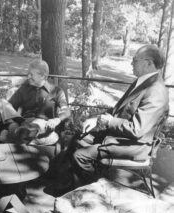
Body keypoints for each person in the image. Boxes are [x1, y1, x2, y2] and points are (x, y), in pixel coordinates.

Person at [72, 45, 169, 185]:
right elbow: (118, 109)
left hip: (134, 145)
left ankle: (96, 190)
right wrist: (96, 119)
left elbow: (137, 130)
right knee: (77, 138)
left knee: (80, 156)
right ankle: (76, 184)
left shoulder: (156, 91)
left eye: (135, 60)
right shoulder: (142, 82)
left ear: (148, 63)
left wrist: (109, 122)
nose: (131, 63)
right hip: (122, 136)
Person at [0, 59, 71, 146]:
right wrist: (11, 120)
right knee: (1, 103)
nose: (28, 77)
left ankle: (21, 134)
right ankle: (25, 134)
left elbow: (66, 110)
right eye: (28, 74)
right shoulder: (24, 89)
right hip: (23, 121)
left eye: (31, 74)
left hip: (43, 124)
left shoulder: (57, 91)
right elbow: (9, 107)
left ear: (43, 76)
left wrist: (56, 120)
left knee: (35, 125)